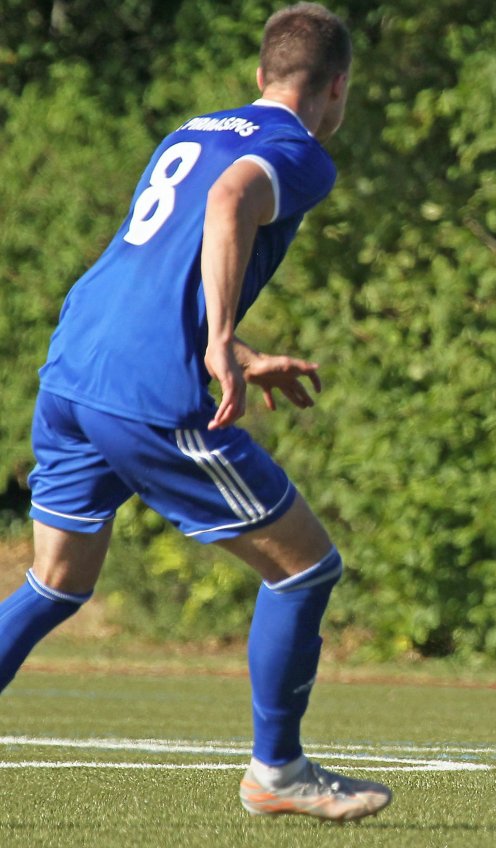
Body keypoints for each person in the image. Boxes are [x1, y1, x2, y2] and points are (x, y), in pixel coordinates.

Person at [0, 3, 391, 822]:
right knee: (306, 567)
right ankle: (276, 770)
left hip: (76, 371)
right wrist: (219, 344)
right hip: (149, 394)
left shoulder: (194, 128)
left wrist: (242, 348)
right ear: (337, 89)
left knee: (58, 582)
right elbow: (229, 203)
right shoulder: (301, 151)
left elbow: (161, 263)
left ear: (259, 75)